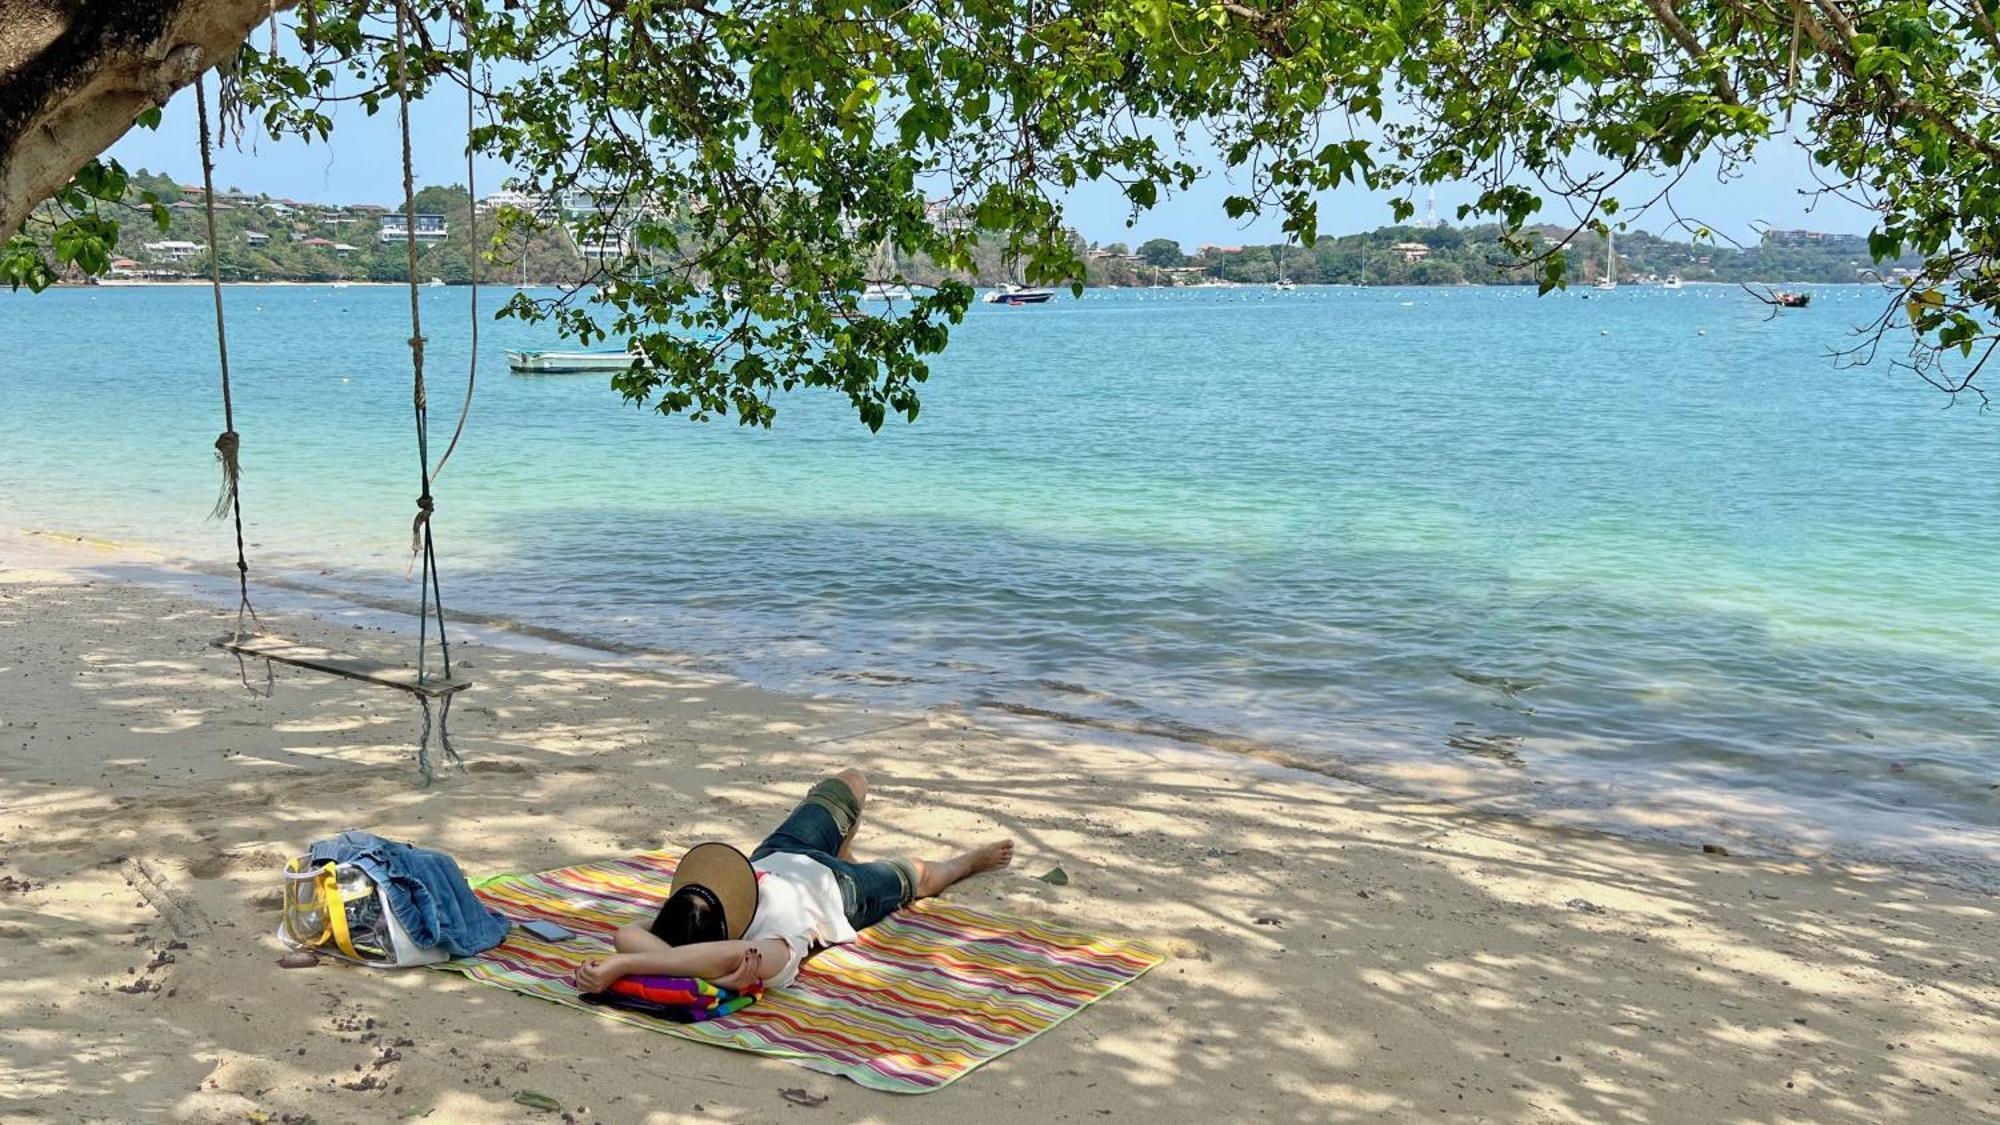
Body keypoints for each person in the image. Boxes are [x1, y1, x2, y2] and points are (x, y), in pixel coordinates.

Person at [574, 770, 1013, 993]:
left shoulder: (686, 928)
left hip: (776, 852)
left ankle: (842, 842)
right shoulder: (761, 948)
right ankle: (964, 864)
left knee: (851, 782)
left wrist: (628, 959)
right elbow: (722, 954)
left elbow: (626, 934)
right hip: (841, 890)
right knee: (920, 874)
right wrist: (632, 968)